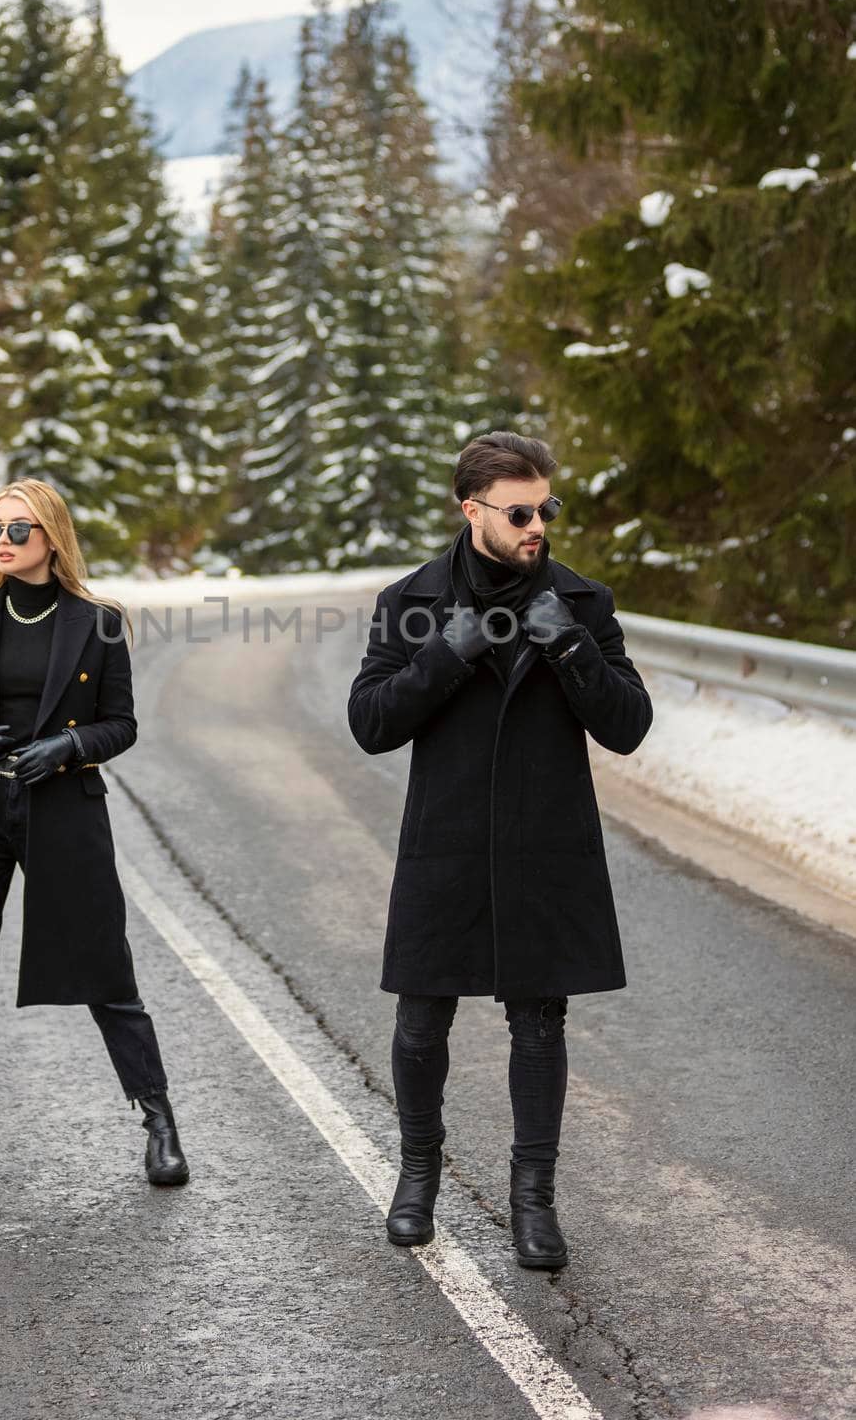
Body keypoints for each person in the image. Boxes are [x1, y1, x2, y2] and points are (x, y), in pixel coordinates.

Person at [347, 431, 653, 1266]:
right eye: (519, 512)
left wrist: (572, 647)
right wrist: (447, 653)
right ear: (470, 510)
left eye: (546, 508)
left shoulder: (582, 603)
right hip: (444, 843)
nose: (537, 527)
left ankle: (533, 1204)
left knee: (539, 1026)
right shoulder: (410, 601)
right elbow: (371, 722)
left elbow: (627, 726)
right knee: (419, 1022)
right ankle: (416, 1181)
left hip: (543, 844)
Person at [0, 478, 189, 1192]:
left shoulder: (99, 620)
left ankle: (158, 1122)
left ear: (51, 537)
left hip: (61, 806)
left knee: (103, 967)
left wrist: (65, 748)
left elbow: (120, 723)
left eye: (17, 530)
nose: (1, 542)